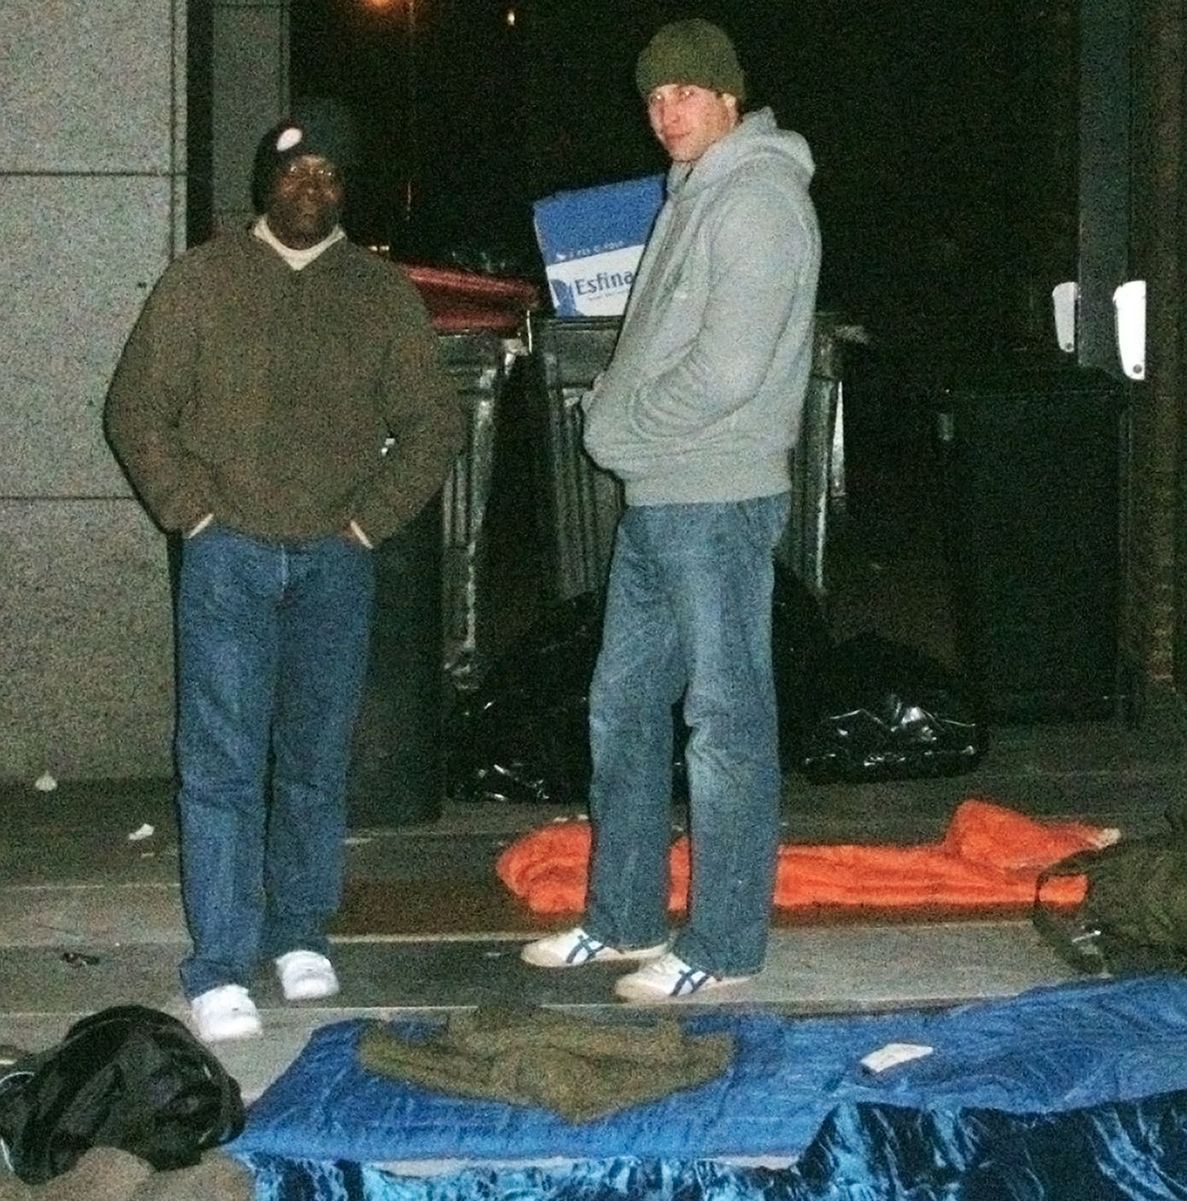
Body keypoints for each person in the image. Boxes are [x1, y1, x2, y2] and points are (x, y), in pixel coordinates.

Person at [105, 102, 463, 1043]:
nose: (311, 188)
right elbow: (136, 410)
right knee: (220, 763)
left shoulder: (379, 292)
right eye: (295, 173)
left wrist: (367, 521)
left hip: (332, 563)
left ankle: (301, 929)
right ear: (265, 183)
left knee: (314, 757)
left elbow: (433, 423)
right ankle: (219, 962)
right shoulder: (203, 280)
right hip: (226, 556)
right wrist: (195, 514)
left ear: (345, 190)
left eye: (329, 176)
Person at [522, 19, 821, 1000]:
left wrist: (620, 432)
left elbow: (728, 370)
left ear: (730, 98)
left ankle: (726, 945)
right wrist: (632, 433)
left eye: (686, 93)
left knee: (726, 725)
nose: (667, 113)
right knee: (622, 711)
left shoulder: (759, 200)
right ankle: (623, 919)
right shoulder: (691, 197)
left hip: (718, 500)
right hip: (662, 504)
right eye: (653, 98)